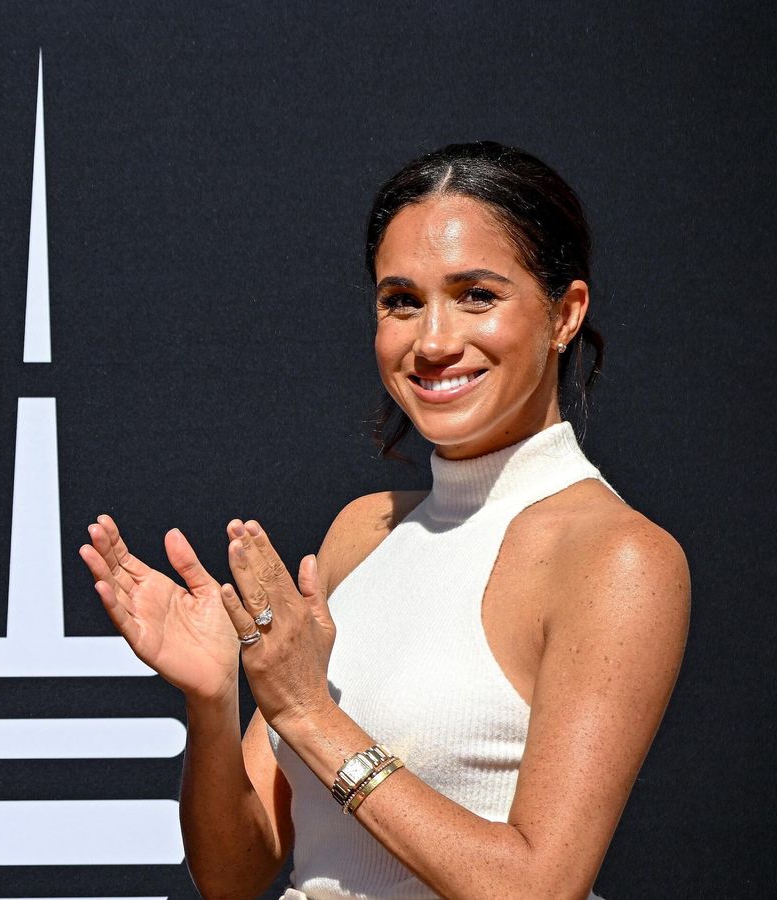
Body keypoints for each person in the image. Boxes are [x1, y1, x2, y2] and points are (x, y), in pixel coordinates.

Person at [79, 142, 687, 899]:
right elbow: (235, 875)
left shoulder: (618, 556)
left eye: (476, 296)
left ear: (564, 314)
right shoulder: (360, 534)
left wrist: (307, 713)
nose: (433, 342)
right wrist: (214, 702)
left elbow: (536, 887)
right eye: (402, 300)